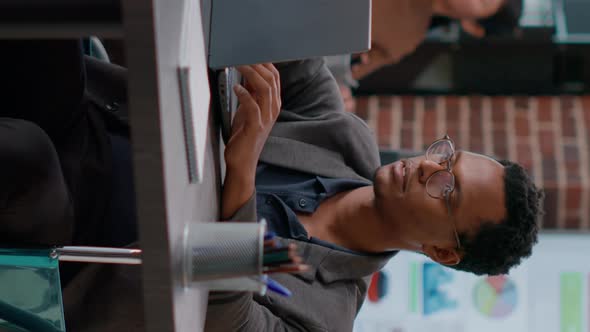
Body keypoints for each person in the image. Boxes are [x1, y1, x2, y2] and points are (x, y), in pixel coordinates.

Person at [206, 57, 542, 331]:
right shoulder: (344, 138)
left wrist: (242, 173)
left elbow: (223, 319)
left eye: (448, 190)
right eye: (447, 158)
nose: (428, 167)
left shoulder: (325, 316)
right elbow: (293, 47)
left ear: (442, 253)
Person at [350, 0, 523, 80]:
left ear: (473, 27)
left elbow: (341, 75)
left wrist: (343, 94)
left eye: (482, 1)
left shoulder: (407, 39)